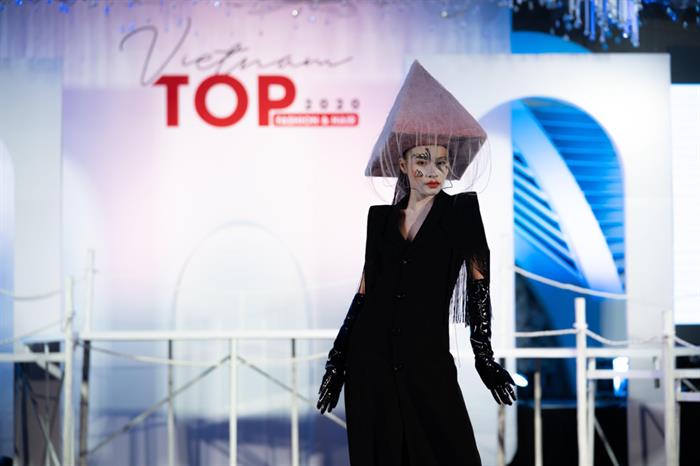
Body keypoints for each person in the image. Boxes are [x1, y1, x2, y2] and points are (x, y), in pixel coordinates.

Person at [316, 61, 516, 466]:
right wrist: (337, 361)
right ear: (403, 164)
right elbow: (364, 294)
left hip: (428, 360)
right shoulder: (379, 220)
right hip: (370, 363)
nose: (432, 171)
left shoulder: (461, 212)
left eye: (441, 161)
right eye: (421, 160)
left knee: (450, 453)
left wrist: (484, 356)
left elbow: (479, 285)